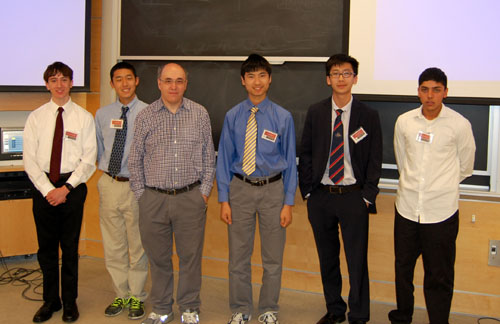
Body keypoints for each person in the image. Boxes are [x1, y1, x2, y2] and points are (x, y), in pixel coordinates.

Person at [298, 54, 383, 324]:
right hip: (322, 196)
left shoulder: (368, 115)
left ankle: (358, 314)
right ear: (328, 79)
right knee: (328, 258)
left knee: (356, 260)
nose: (341, 78)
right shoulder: (316, 111)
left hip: (354, 197)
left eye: (347, 73)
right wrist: (309, 192)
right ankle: (335, 309)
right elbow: (307, 153)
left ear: (355, 79)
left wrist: (367, 195)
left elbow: (375, 158)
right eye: (336, 73)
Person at [129, 63, 215, 324]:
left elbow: (208, 158)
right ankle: (162, 308)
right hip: (153, 199)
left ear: (185, 83)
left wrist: (203, 193)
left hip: (190, 198)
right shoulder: (145, 116)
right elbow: (135, 161)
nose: (173, 86)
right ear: (159, 83)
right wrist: (142, 195)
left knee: (190, 258)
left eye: (179, 81)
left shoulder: (199, 113)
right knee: (158, 258)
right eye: (168, 81)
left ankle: (189, 308)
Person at [388, 68, 475, 324]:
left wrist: (439, 186)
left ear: (445, 92)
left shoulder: (459, 124)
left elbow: (466, 167)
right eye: (424, 89)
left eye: (436, 90)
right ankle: (403, 316)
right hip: (406, 207)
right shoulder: (404, 121)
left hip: (441, 212)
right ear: (418, 92)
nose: (430, 96)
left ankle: (438, 320)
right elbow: (402, 160)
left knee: (439, 274)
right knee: (403, 268)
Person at [216, 53, 297, 324]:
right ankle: (240, 309)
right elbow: (224, 159)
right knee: (238, 256)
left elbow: (291, 163)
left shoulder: (283, 117)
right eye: (251, 76)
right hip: (240, 190)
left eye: (262, 75)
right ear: (243, 81)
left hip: (273, 191)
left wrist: (288, 202)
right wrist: (224, 199)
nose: (257, 81)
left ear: (270, 79)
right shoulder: (233, 116)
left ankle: (268, 309)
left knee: (272, 258)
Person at [23, 62, 97, 323]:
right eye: (53, 80)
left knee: (69, 248)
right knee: (46, 250)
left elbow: (89, 160)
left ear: (71, 83)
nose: (59, 84)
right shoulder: (36, 117)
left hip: (73, 188)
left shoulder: (84, 117)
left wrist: (65, 189)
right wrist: (48, 190)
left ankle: (69, 302)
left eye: (64, 79)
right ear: (47, 84)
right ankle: (50, 301)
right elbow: (29, 161)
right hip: (43, 188)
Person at [95, 62, 149, 319]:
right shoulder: (102, 114)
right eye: (119, 79)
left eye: (129, 78)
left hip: (137, 185)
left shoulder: (149, 113)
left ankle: (137, 297)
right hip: (108, 183)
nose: (124, 83)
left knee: (137, 246)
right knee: (113, 245)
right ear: (112, 83)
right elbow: (98, 149)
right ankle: (121, 294)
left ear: (137, 81)